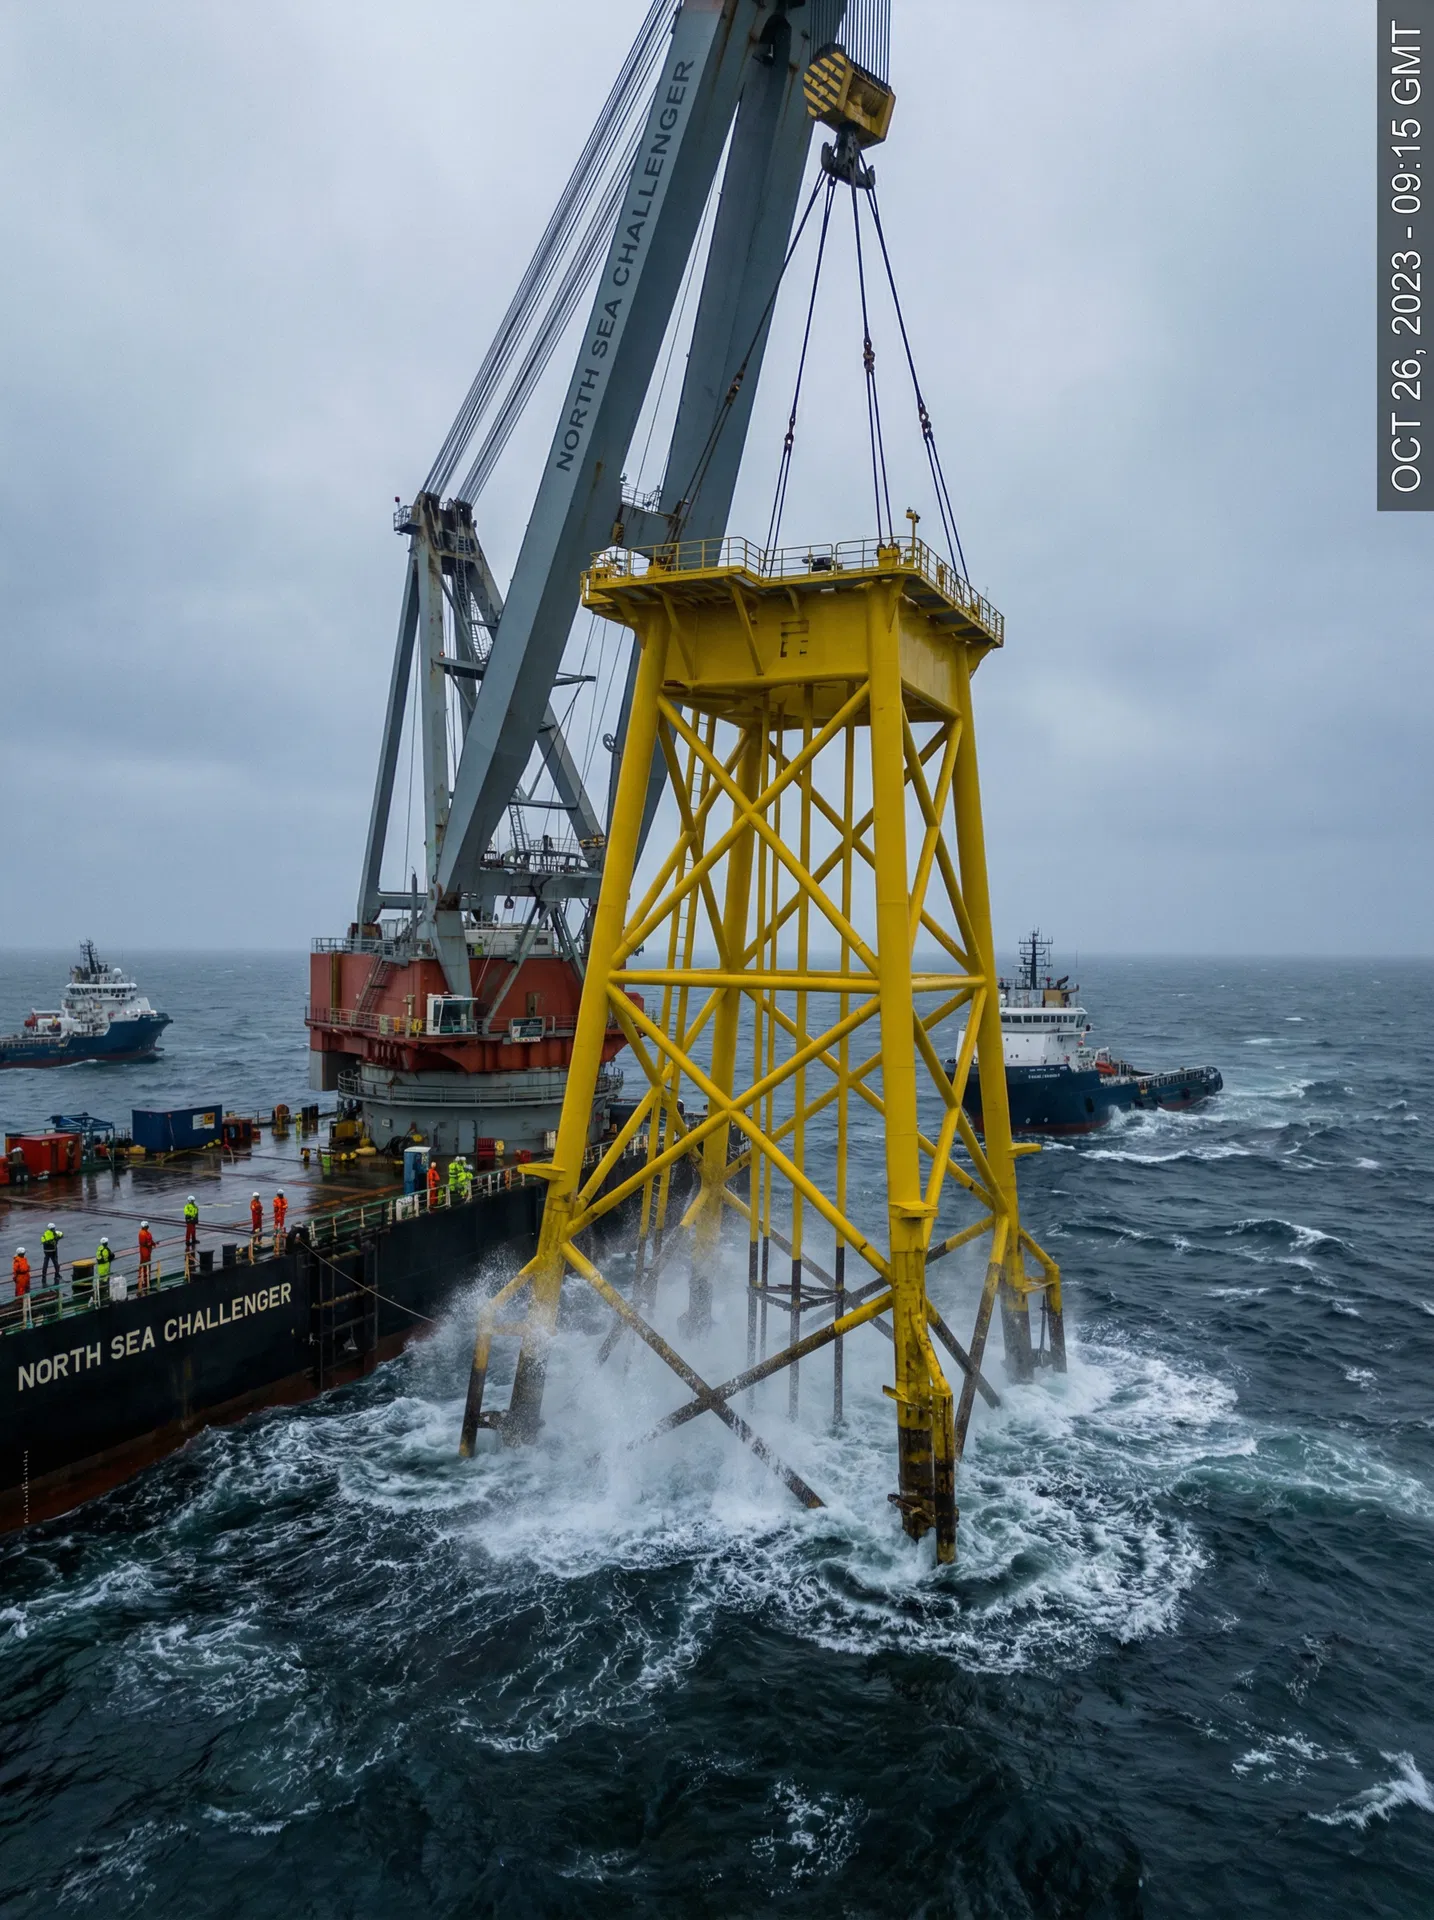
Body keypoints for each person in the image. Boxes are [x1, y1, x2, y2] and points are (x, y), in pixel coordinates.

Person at [137, 1221, 154, 1293]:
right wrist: (150, 1244)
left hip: (148, 1252)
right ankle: (143, 1281)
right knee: (144, 1266)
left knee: (147, 1266)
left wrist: (153, 1243)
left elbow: (150, 1240)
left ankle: (147, 1280)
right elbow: (143, 1243)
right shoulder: (142, 1233)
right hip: (144, 1252)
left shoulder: (147, 1233)